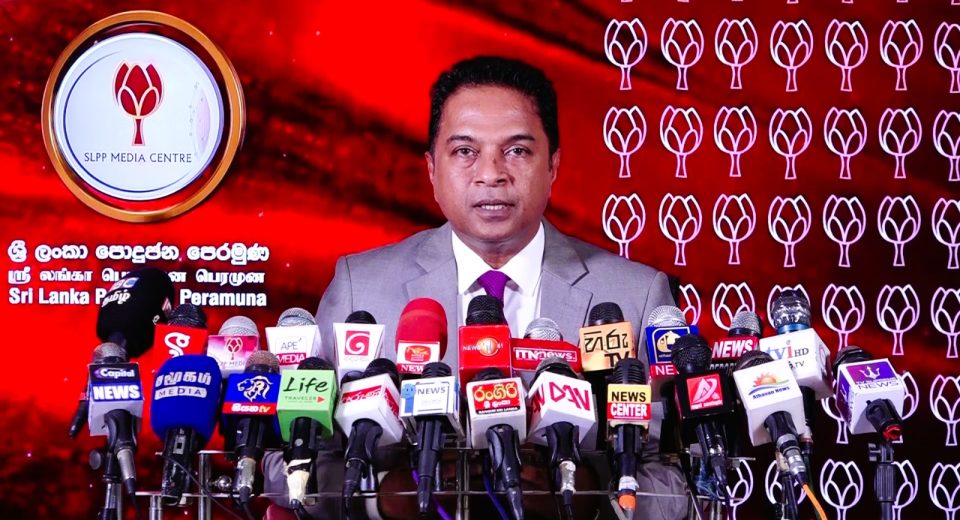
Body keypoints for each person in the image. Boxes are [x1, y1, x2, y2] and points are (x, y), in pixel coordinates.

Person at [265, 56, 688, 520]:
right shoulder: (360, 288)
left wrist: (588, 500)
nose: (491, 173)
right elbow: (282, 466)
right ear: (432, 169)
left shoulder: (634, 295)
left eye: (517, 151)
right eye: (465, 151)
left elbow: (677, 480)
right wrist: (382, 497)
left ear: (553, 166)